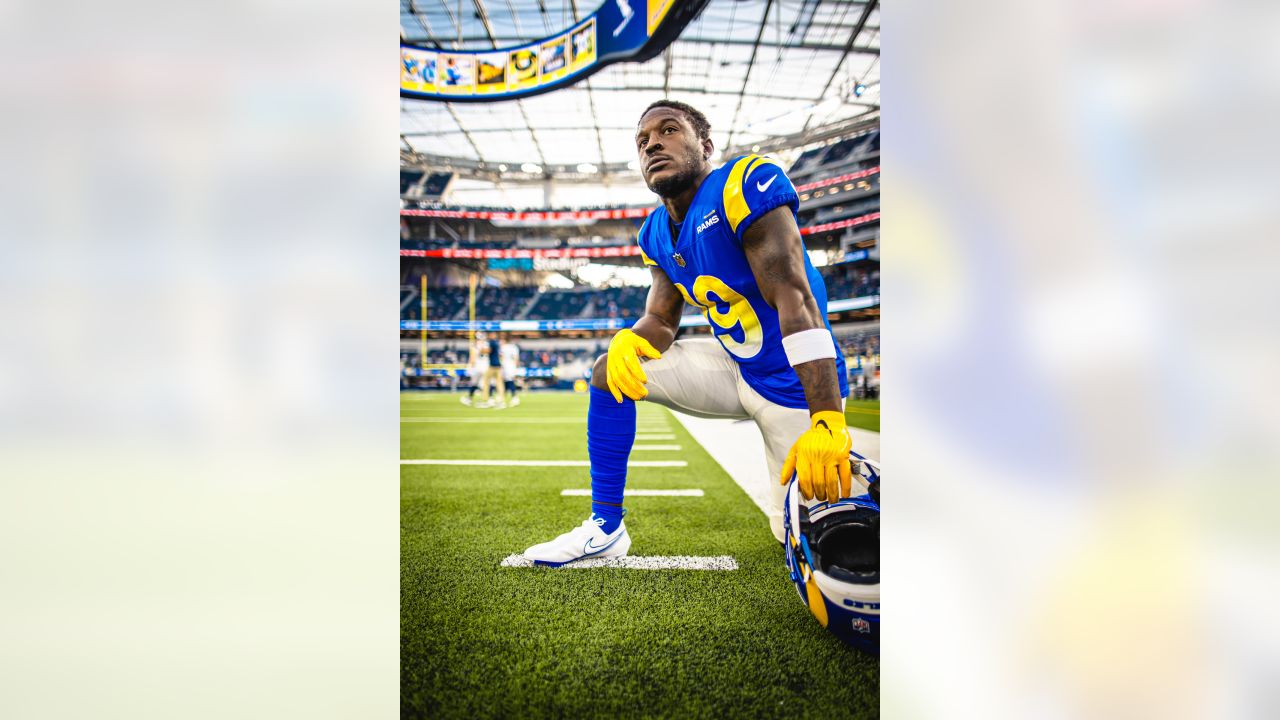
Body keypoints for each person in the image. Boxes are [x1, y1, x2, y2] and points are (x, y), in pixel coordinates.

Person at [524, 100, 852, 566]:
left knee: (817, 544)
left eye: (669, 131)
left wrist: (827, 418)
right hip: (734, 365)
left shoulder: (743, 185)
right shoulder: (655, 231)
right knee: (608, 374)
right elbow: (661, 320)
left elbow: (794, 298)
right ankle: (605, 527)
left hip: (796, 385)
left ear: (706, 146)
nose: (653, 143)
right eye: (643, 141)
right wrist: (631, 338)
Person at [500, 340, 521, 407]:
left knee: (509, 381)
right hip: (512, 366)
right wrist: (516, 367)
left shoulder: (503, 347)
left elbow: (501, 357)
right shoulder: (514, 347)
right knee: (508, 381)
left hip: (505, 365)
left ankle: (514, 397)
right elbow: (516, 358)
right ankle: (504, 397)